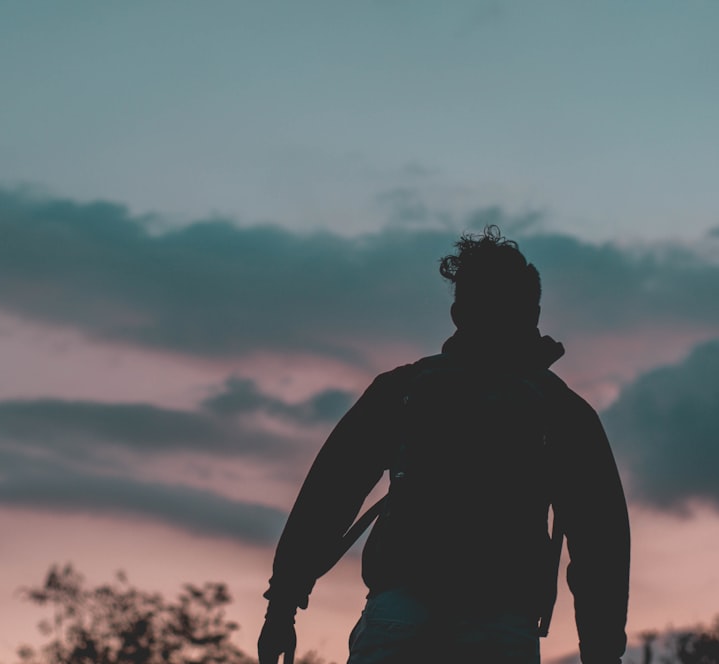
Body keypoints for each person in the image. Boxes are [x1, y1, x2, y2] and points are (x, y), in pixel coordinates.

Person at [257, 226, 630, 664]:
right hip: (501, 628)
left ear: (457, 313)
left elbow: (328, 495)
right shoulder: (563, 409)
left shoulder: (402, 389)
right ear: (533, 312)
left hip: (397, 619)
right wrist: (602, 652)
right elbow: (600, 542)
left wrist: (281, 607)